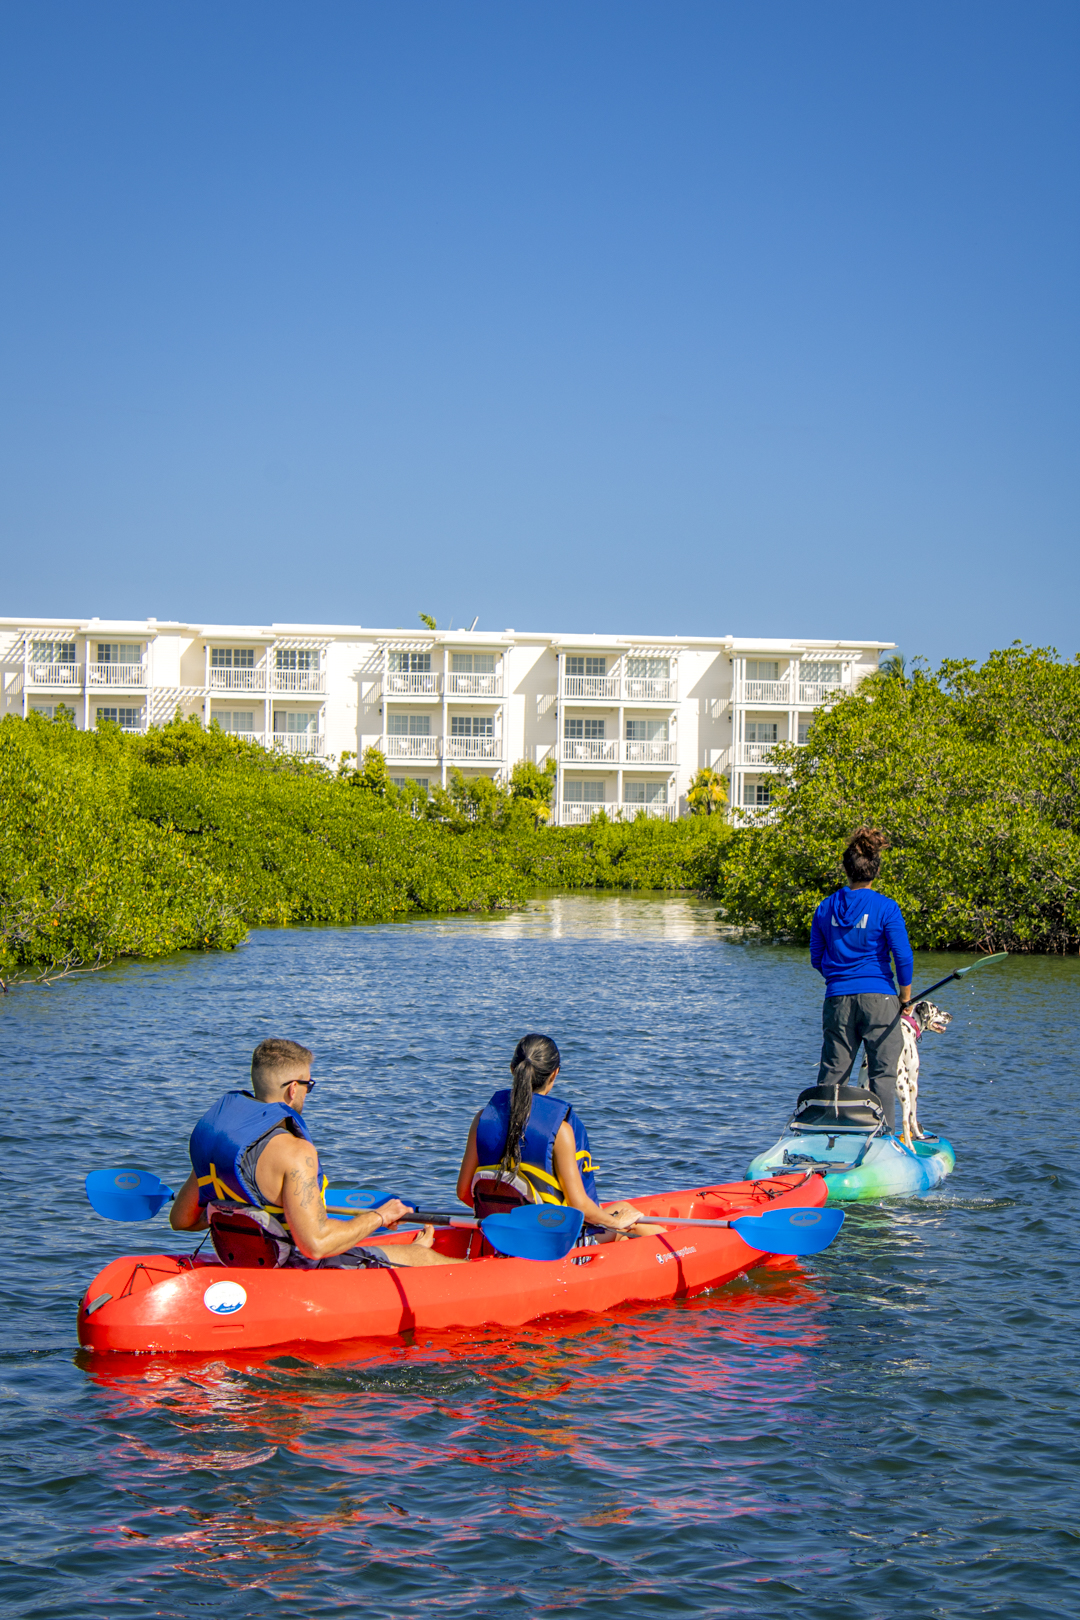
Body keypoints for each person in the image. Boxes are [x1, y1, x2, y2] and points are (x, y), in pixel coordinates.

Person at [170, 1037, 464, 1269]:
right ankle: (420, 1256)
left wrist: (239, 1217)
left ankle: (409, 1251)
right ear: (293, 1089)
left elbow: (182, 1220)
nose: (307, 1093)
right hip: (297, 1268)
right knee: (424, 1260)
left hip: (245, 1262)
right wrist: (380, 1216)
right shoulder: (296, 1153)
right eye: (308, 1086)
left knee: (402, 1251)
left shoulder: (222, 1144)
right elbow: (316, 1246)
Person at [455, 1033, 658, 1239]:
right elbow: (580, 1206)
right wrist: (616, 1222)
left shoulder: (481, 1120)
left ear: (513, 1069)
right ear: (554, 1074)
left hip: (502, 1236)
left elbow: (463, 1192)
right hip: (552, 1243)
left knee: (623, 1209)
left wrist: (508, 1220)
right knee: (635, 1221)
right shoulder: (560, 1132)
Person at [810, 827, 914, 1133]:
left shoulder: (825, 907)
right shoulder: (886, 907)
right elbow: (903, 957)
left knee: (833, 1073)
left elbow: (816, 957)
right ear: (876, 870)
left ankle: (823, 1134)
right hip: (881, 1000)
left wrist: (839, 979)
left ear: (847, 869)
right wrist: (905, 998)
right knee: (882, 1074)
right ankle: (883, 1137)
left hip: (837, 999)